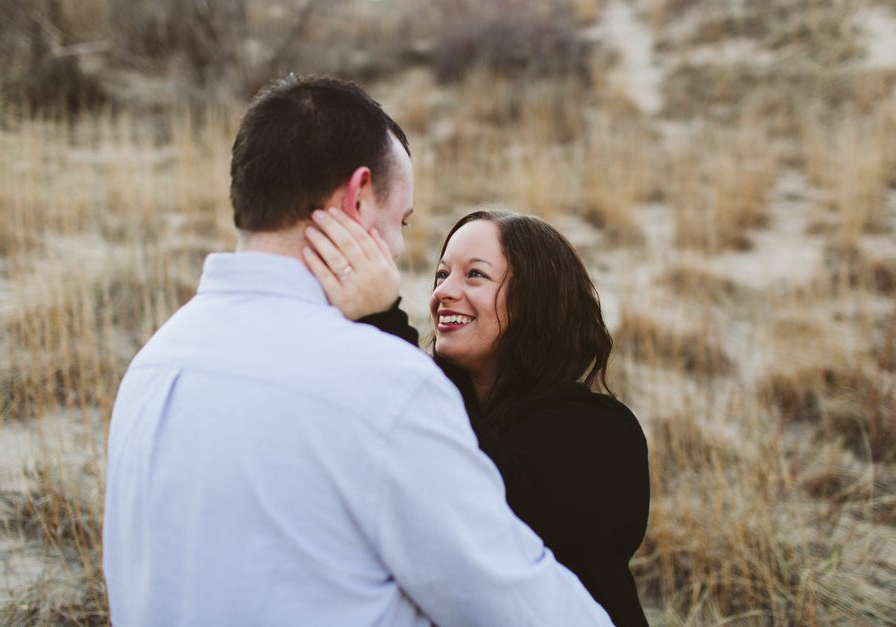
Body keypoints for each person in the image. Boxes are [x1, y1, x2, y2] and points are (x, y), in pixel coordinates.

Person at [102, 76, 613, 626]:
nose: (398, 247)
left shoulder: (154, 362)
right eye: (401, 221)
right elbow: (520, 606)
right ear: (359, 196)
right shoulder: (385, 386)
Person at [304, 209, 650, 626]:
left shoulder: (602, 434)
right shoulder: (438, 405)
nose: (444, 292)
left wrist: (383, 321)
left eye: (475, 275)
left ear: (535, 299)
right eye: (441, 274)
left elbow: (484, 501)